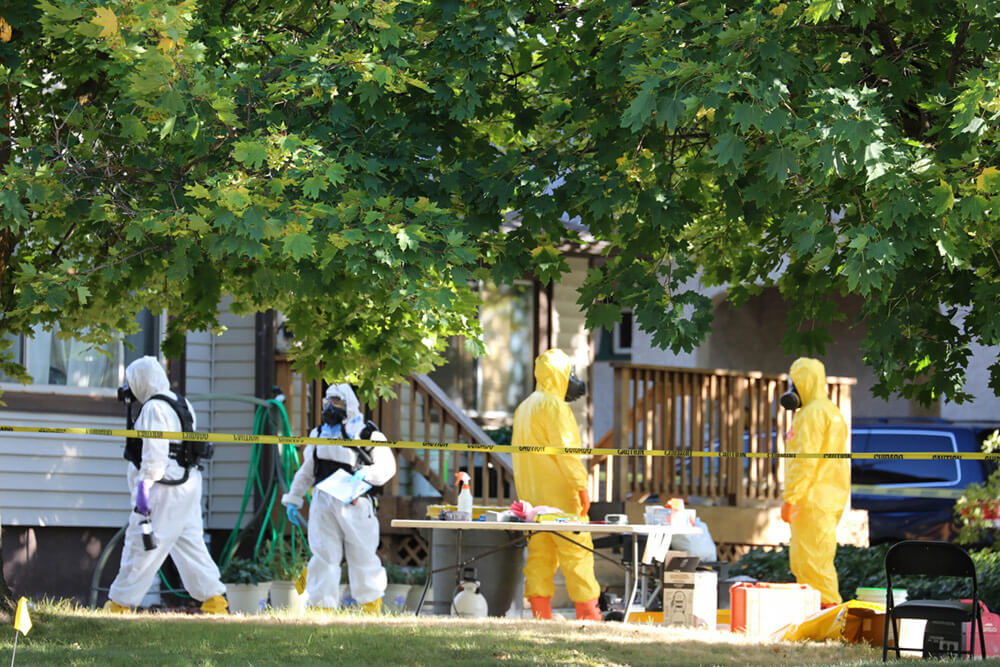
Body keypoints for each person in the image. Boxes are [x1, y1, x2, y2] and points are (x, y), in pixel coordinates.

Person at [104, 356, 228, 614]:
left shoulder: (153, 409)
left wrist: (143, 490)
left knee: (141, 544)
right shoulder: (181, 403)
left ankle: (119, 604)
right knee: (191, 545)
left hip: (162, 488)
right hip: (188, 485)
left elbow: (155, 455)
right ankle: (215, 601)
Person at [281, 383, 396, 613]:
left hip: (356, 503)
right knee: (323, 555)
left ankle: (371, 606)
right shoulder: (318, 434)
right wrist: (294, 498)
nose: (331, 408)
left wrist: (367, 474)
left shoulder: (368, 434)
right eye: (328, 403)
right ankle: (320, 608)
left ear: (349, 405)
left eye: (337, 403)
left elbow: (387, 468)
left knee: (363, 555)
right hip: (323, 503)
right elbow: (307, 470)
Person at [511, 348, 601, 621]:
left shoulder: (524, 407)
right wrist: (582, 487)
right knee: (578, 554)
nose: (573, 379)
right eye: (570, 373)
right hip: (561, 496)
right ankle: (588, 615)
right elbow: (567, 452)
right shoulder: (554, 406)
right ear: (561, 374)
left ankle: (541, 616)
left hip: (533, 499)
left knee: (540, 556)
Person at [780, 357, 850, 607]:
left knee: (812, 564)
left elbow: (804, 462)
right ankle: (821, 619)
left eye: (794, 383)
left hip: (811, 499)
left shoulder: (811, 415)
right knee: (813, 561)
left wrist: (790, 498)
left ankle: (831, 620)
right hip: (827, 498)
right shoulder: (830, 411)